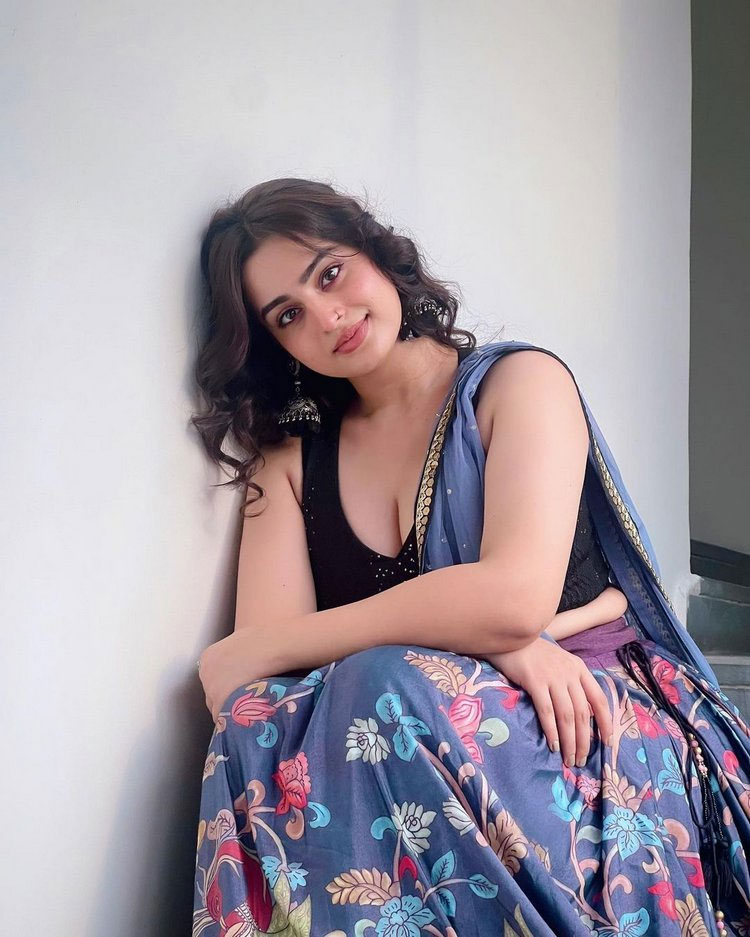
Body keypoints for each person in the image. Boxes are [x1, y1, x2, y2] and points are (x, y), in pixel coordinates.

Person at [190, 178, 750, 937]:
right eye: (288, 315)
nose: (328, 316)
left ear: (375, 252)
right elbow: (267, 691)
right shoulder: (290, 463)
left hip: (589, 717)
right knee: (263, 723)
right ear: (274, 345)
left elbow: (511, 599)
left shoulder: (519, 384)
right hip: (414, 739)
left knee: (378, 683)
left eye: (331, 273)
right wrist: (497, 643)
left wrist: (510, 632)